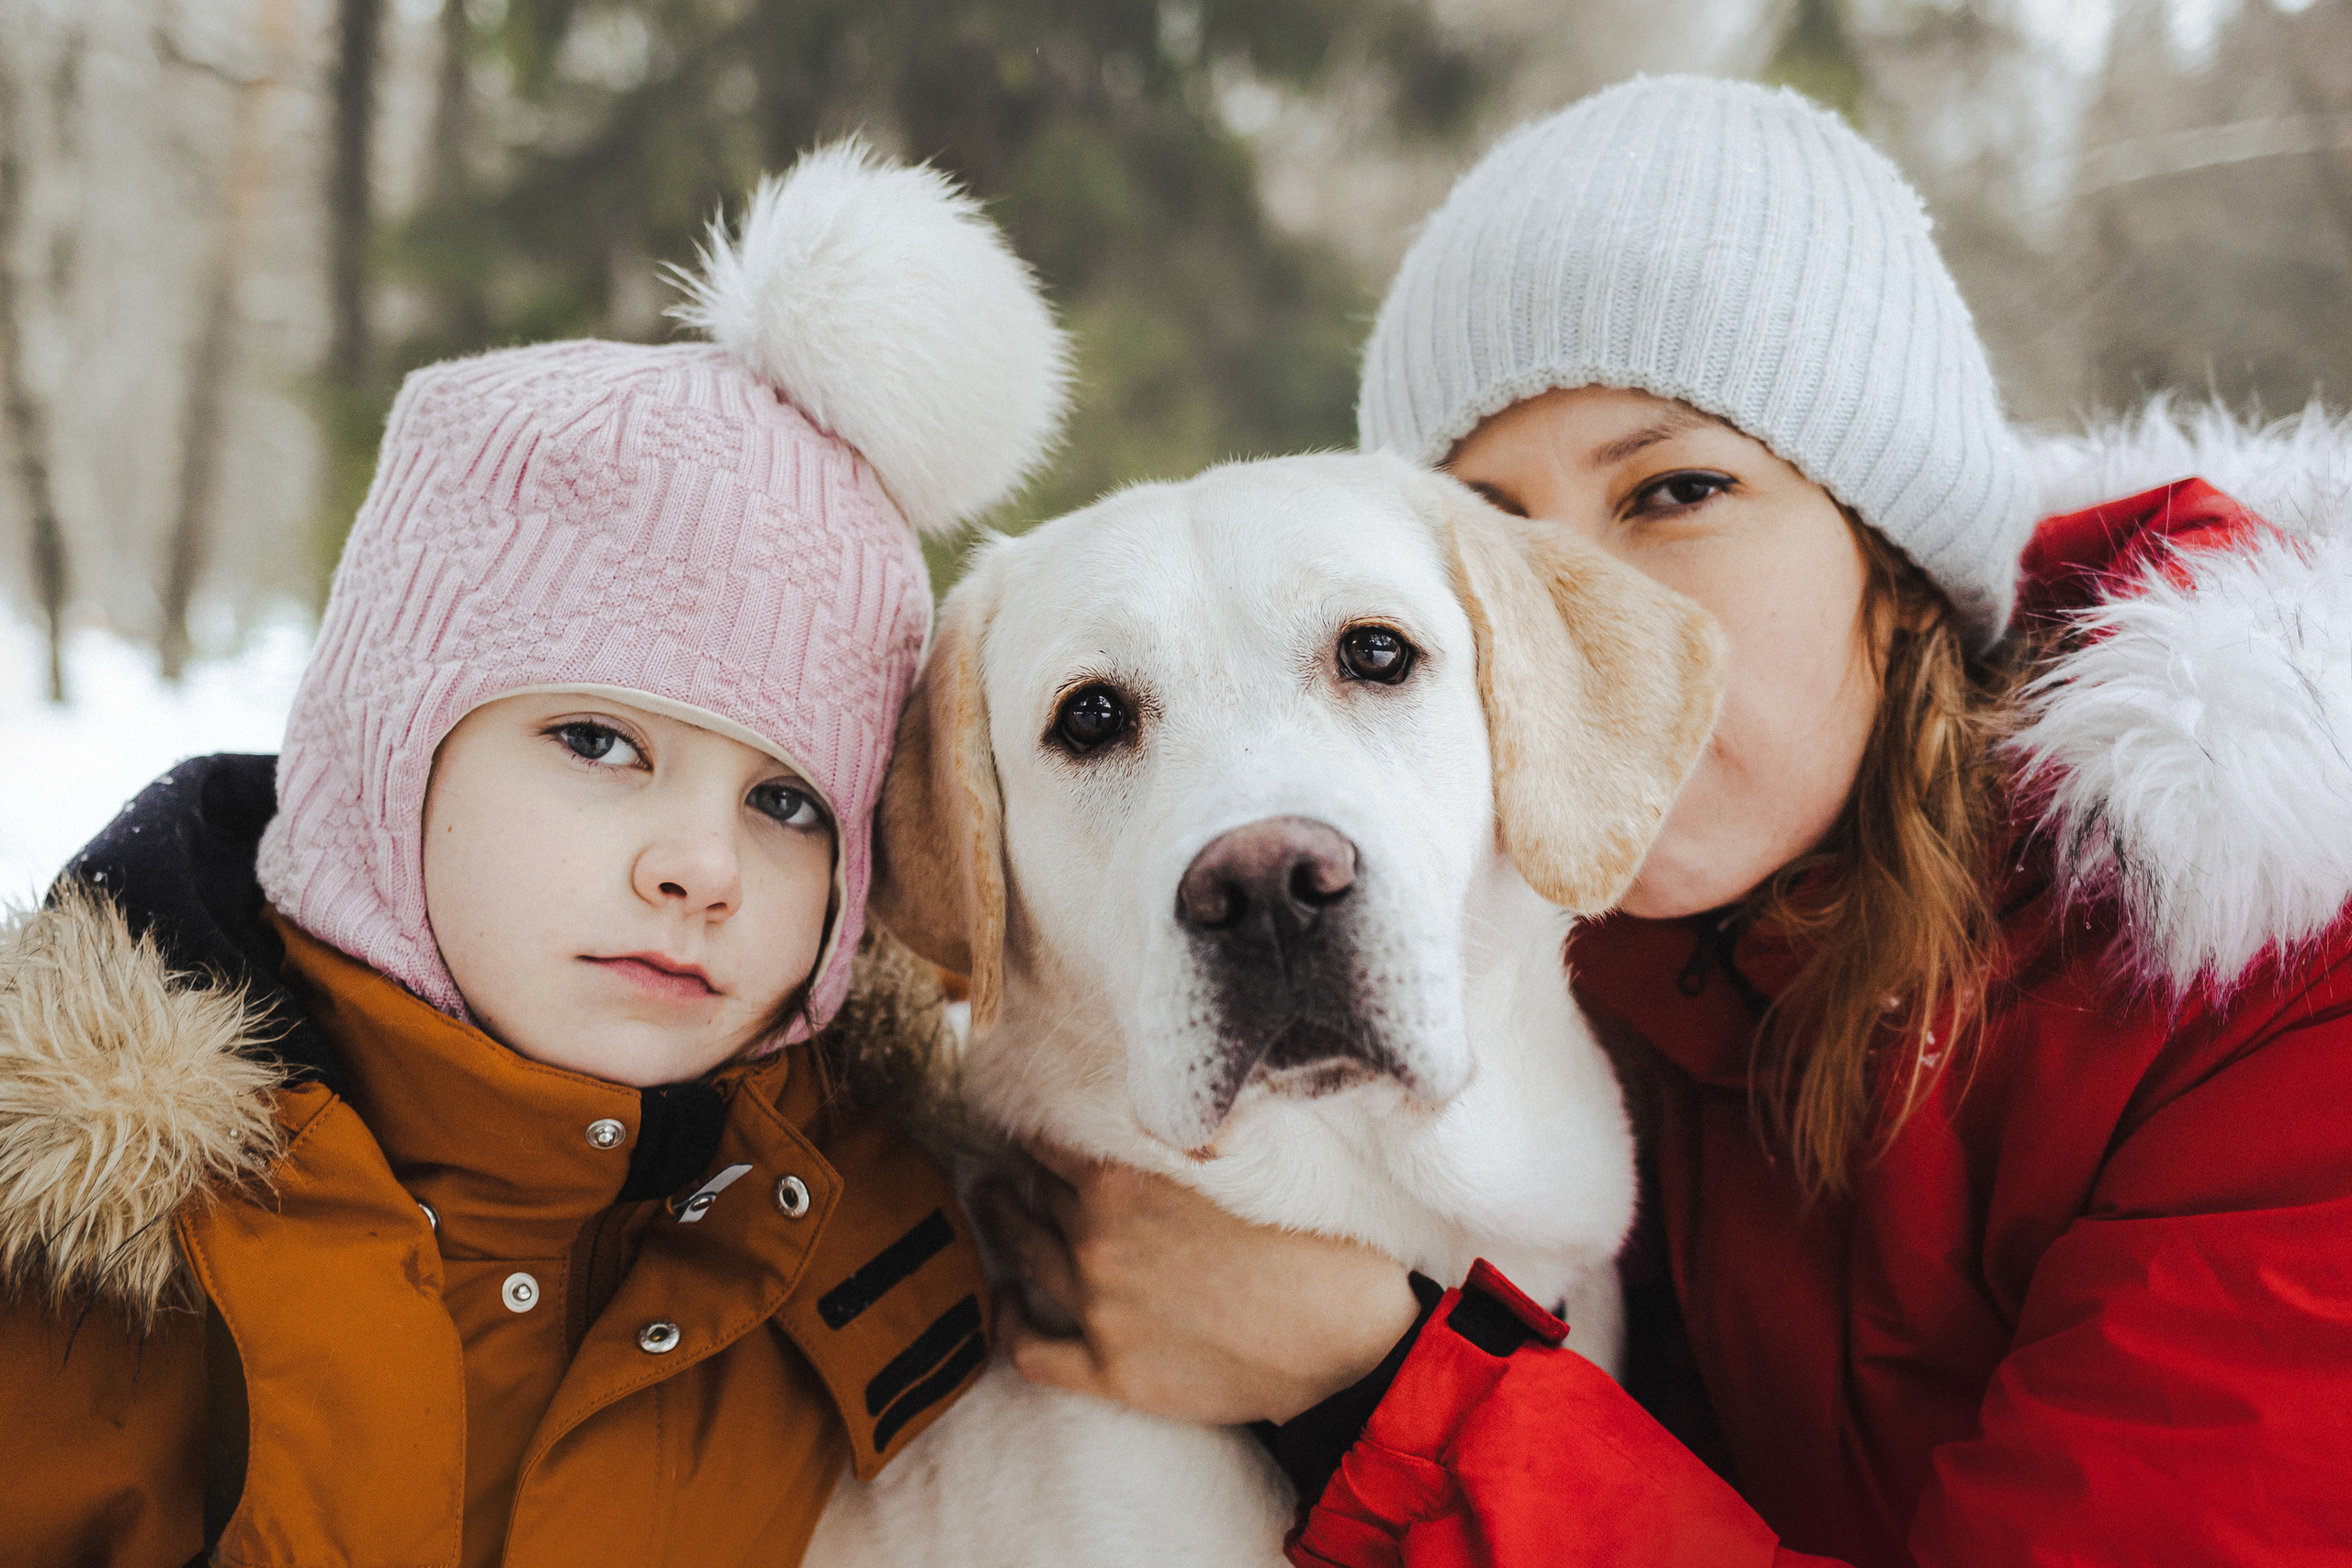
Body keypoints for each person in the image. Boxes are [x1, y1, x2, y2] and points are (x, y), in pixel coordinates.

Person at [989, 76, 2352, 1564]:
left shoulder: (2282, 995)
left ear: (1899, 571)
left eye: (1678, 489)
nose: (1579, 626)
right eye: (1495, 539)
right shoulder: (1592, 961)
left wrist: (1368, 1392)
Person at [0, 141, 1067, 1567]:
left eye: (789, 803)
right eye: (599, 744)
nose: (703, 867)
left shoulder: (894, 1234)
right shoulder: (78, 1257)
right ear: (393, 747)